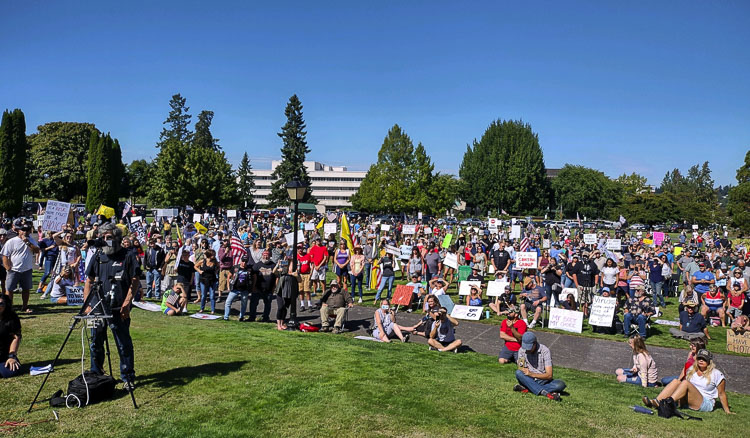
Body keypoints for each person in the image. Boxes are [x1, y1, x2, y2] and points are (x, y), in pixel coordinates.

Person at [83, 222, 138, 391]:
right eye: (103, 237)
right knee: (96, 342)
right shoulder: (98, 255)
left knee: (123, 343)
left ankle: (127, 376)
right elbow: (89, 281)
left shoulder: (128, 255)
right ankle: (96, 374)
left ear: (118, 239)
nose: (105, 240)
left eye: (109, 237)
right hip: (98, 307)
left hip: (118, 308)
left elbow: (134, 281)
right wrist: (87, 304)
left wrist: (127, 303)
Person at [644, 349, 733, 414]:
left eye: (704, 359)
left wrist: (727, 411)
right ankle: (655, 402)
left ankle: (668, 404)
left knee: (685, 383)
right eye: (699, 358)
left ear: (709, 361)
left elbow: (721, 394)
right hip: (688, 400)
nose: (701, 360)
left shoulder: (717, 374)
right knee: (676, 381)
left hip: (705, 402)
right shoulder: (692, 369)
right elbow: (682, 387)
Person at [1, 218, 40, 313]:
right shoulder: (11, 241)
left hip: (26, 269)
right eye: (23, 230)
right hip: (13, 269)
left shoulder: (31, 240)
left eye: (27, 230)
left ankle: (25, 306)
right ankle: (9, 308)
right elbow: (5, 255)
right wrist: (8, 267)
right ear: (19, 231)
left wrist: (27, 242)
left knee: (26, 289)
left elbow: (37, 250)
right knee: (9, 289)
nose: (25, 232)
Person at [513, 332, 566, 401]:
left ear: (535, 343)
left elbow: (549, 375)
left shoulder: (545, 351)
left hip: (542, 379)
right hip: (528, 378)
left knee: (560, 384)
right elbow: (522, 368)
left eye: (529, 347)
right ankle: (546, 393)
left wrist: (532, 374)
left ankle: (529, 388)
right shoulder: (521, 350)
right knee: (518, 373)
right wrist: (528, 374)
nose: (527, 350)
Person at [250, 250, 276, 322]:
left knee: (267, 304)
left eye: (267, 255)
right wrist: (253, 287)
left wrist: (274, 287)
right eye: (264, 255)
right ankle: (252, 317)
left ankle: (265, 318)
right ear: (262, 255)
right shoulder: (257, 265)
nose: (266, 256)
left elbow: (276, 277)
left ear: (270, 256)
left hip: (269, 289)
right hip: (258, 288)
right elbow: (253, 276)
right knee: (253, 303)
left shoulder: (273, 265)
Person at [224, 256, 253, 321]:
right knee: (228, 302)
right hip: (235, 289)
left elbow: (254, 277)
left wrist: (251, 287)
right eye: (243, 261)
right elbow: (228, 276)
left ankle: (241, 317)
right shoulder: (235, 267)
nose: (244, 263)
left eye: (245, 261)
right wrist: (228, 286)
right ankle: (226, 317)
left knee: (244, 303)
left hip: (245, 289)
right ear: (241, 261)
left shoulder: (249, 269)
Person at [0, 294, 21, 378]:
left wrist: (12, 356)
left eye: (1, 304)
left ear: (6, 305)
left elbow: (16, 337)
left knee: (9, 372)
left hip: (4, 354)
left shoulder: (12, 318)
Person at [195, 249, 219, 314]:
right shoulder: (203, 261)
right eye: (213, 255)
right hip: (204, 280)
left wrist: (216, 271)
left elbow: (218, 266)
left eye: (214, 254)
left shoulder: (215, 262)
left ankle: (213, 310)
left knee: (212, 295)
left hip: (212, 280)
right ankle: (202, 308)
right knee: (203, 296)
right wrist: (199, 271)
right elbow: (195, 266)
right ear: (209, 255)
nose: (214, 256)